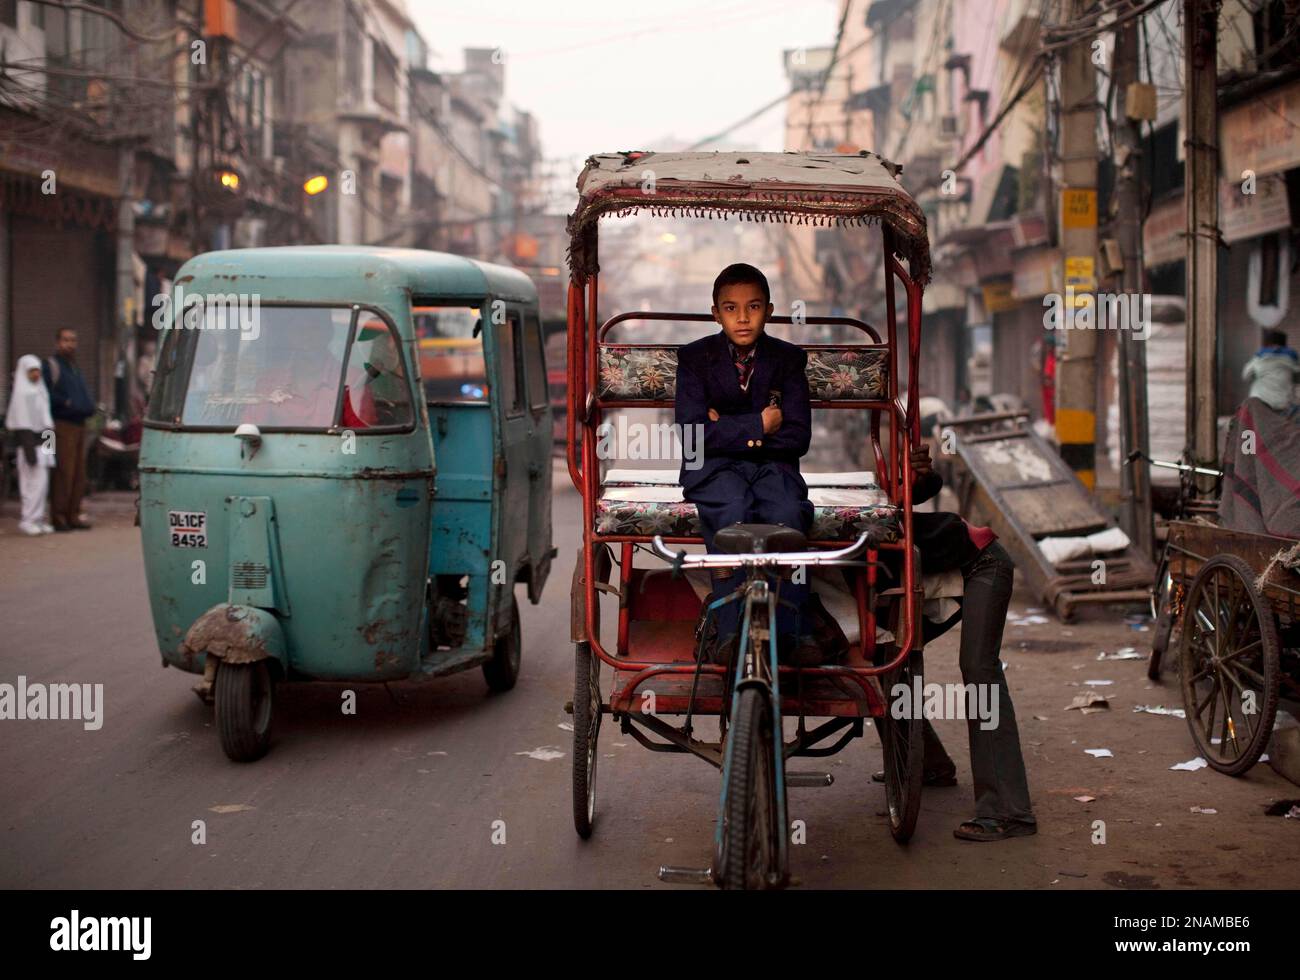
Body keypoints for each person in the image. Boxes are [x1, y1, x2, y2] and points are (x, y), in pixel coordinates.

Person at [873, 442, 1038, 841]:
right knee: (881, 664)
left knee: (979, 669)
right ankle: (931, 764)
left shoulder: (868, 532)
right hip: (941, 580)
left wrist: (920, 474)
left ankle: (1009, 811)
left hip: (984, 564)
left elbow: (923, 485)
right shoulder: (860, 538)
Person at [674, 263, 819, 665]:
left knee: (787, 514)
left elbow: (798, 437)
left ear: (768, 311)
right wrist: (760, 424)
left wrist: (726, 429)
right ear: (715, 313)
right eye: (731, 308)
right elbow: (691, 436)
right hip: (712, 471)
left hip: (774, 470)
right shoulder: (694, 359)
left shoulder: (788, 359)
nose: (742, 317)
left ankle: (796, 629)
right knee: (733, 511)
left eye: (753, 307)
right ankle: (730, 627)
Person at [42, 328, 95, 531]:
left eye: (73, 340)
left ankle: (73, 514)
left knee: (79, 474)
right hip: (61, 425)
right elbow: (44, 395)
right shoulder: (51, 366)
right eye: (65, 340)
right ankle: (59, 516)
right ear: (57, 343)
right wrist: (67, 403)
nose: (70, 344)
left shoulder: (74, 367)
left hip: (80, 425)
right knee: (64, 471)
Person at [6, 355, 57, 535]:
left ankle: (39, 518)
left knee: (42, 486)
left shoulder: (41, 391)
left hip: (43, 444)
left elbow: (47, 423)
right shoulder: (22, 395)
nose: (36, 375)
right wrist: (30, 454)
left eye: (38, 371)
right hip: (30, 447)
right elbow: (23, 425)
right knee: (31, 485)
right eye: (32, 371)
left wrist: (50, 451)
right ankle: (28, 519)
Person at [1241, 328, 1298, 412]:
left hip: (1260, 401)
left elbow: (1246, 376)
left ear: (1267, 343)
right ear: (1284, 343)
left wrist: (1259, 374)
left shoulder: (1258, 358)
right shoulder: (1292, 359)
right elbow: (1297, 378)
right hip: (1283, 404)